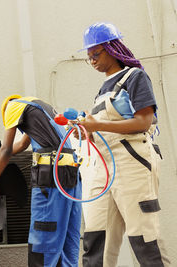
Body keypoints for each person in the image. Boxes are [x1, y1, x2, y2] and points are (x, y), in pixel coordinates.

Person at [79, 22, 169, 266]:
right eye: (89, 58)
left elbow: (143, 121)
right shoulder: (101, 90)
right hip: (102, 169)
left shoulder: (134, 76)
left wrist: (97, 126)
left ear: (112, 48)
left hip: (132, 163)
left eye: (96, 54)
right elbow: (102, 129)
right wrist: (85, 131)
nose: (93, 61)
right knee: (96, 239)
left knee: (143, 237)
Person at [0, 95, 82, 267]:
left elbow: (7, 147)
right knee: (67, 236)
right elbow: (21, 145)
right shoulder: (38, 107)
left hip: (51, 176)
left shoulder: (12, 107)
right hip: (71, 172)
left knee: (44, 233)